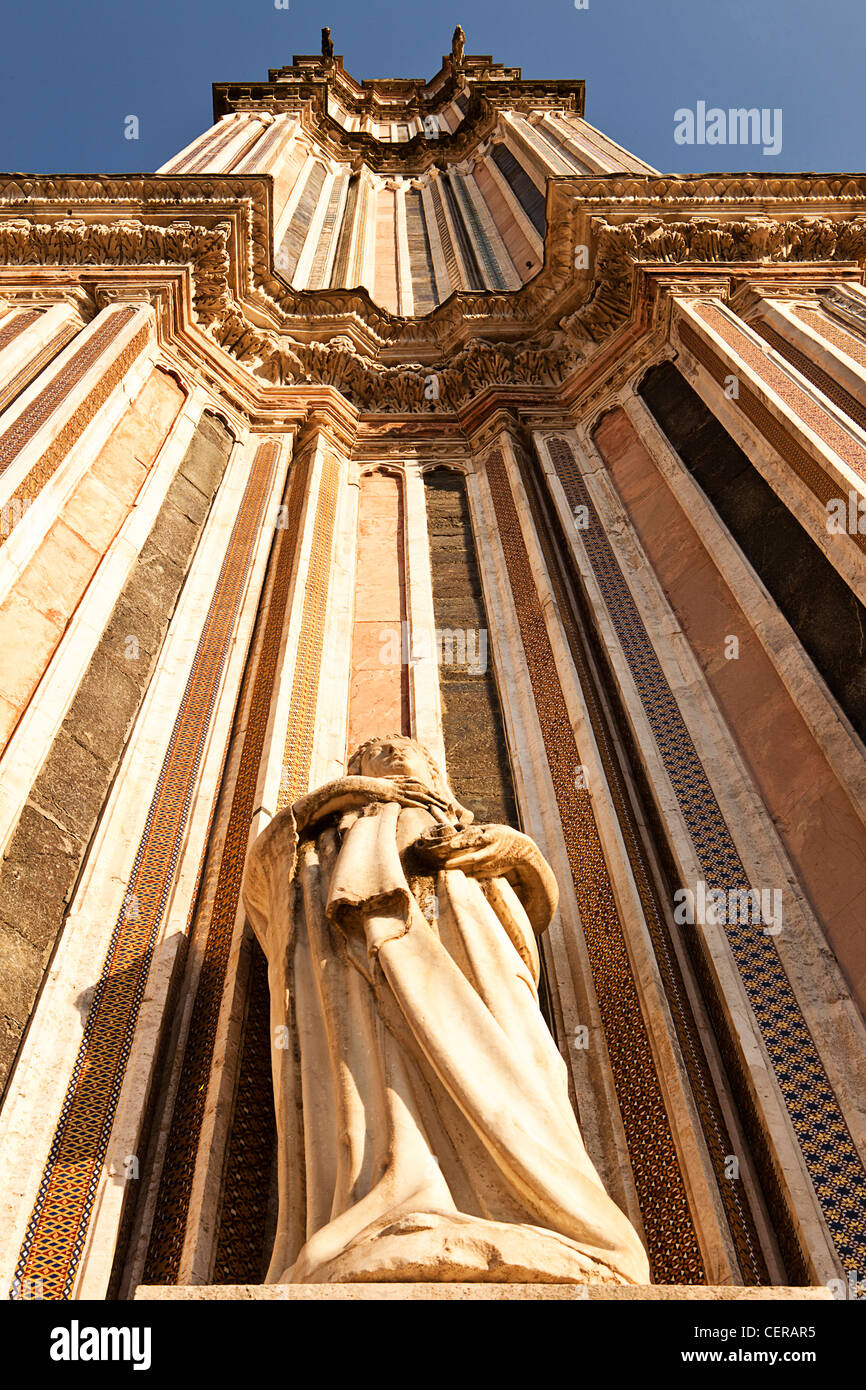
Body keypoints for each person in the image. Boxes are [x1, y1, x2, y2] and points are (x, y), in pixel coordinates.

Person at [242, 734, 650, 1284]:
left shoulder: (463, 827)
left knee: (513, 1063)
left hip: (475, 953)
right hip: (367, 963)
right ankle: (396, 1201)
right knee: (381, 1070)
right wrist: (339, 800)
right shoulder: (332, 826)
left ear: (434, 769)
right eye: (373, 752)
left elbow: (535, 908)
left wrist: (518, 853)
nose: (390, 753)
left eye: (401, 747)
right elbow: (263, 884)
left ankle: (553, 1215)